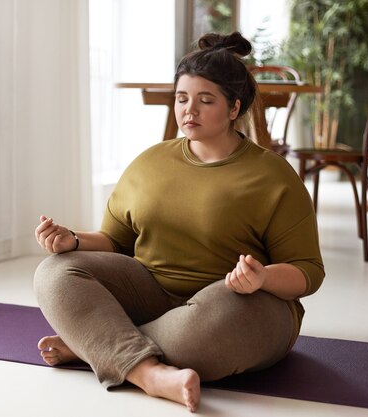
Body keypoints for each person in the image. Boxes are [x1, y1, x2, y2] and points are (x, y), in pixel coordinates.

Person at [34, 32, 324, 413]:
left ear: (234, 108)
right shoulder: (150, 163)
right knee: (54, 274)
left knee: (205, 332)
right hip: (153, 296)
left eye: (206, 101)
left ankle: (97, 345)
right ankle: (149, 373)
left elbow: (309, 272)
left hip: (236, 307)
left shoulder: (273, 176)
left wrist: (263, 278)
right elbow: (114, 241)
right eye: (182, 99)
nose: (190, 111)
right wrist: (72, 240)